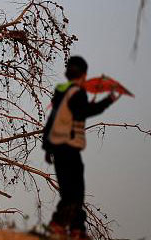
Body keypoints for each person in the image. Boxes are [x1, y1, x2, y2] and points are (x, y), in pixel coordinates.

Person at [42, 56, 119, 240]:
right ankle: (62, 226)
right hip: (69, 147)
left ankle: (76, 229)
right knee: (75, 191)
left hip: (57, 147)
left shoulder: (62, 93)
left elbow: (52, 120)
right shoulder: (78, 92)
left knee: (70, 190)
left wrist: (47, 148)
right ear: (84, 74)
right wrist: (108, 100)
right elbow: (82, 112)